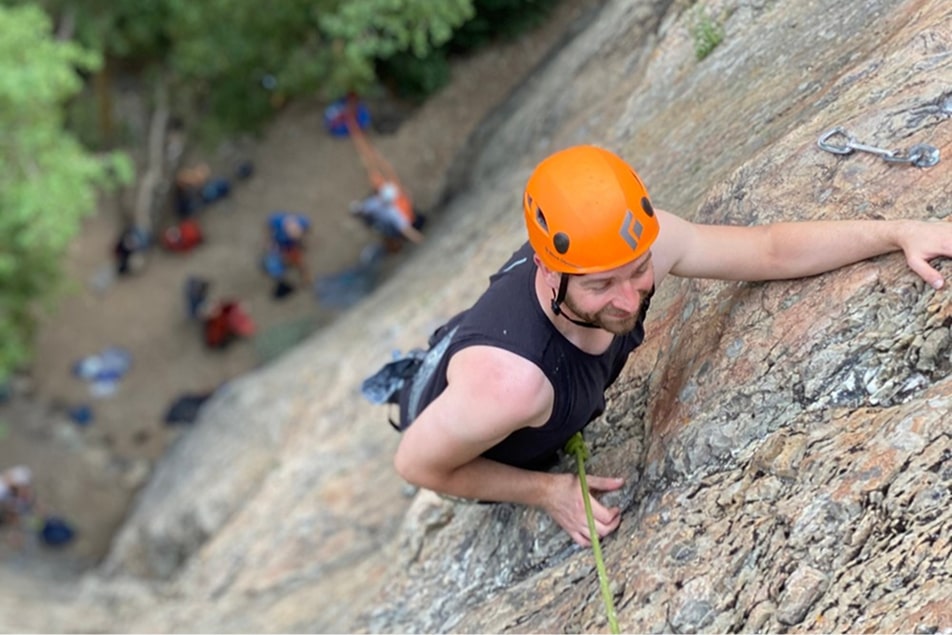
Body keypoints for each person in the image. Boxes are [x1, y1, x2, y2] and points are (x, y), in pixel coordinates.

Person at [382, 144, 952, 548]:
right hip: (463, 419)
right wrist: (545, 490)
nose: (628, 301)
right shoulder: (514, 385)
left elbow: (770, 252)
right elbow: (417, 462)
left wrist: (897, 232)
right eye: (600, 286)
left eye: (635, 273)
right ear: (548, 270)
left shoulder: (624, 248)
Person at [350, 181, 425, 251]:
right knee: (403, 231)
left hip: (392, 215)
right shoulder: (367, 212)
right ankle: (418, 241)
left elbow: (383, 202)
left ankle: (420, 241)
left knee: (405, 229)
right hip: (389, 220)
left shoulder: (369, 206)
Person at [263, 211, 312, 297]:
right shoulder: (277, 220)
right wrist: (268, 240)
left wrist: (302, 241)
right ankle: (283, 275)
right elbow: (268, 227)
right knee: (278, 262)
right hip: (280, 247)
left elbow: (307, 230)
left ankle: (306, 280)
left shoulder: (302, 221)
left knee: (300, 263)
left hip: (292, 248)